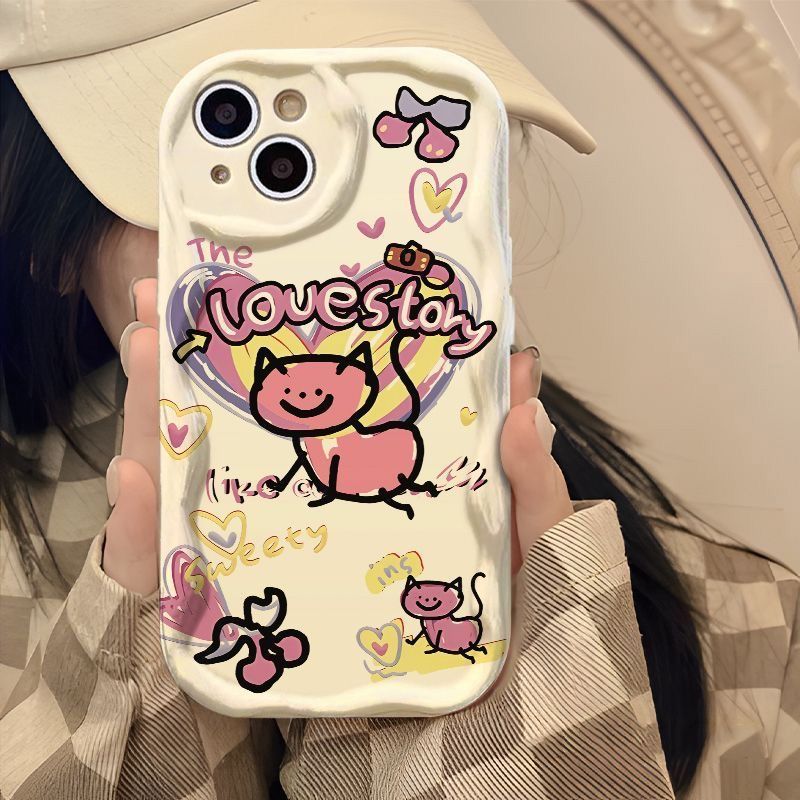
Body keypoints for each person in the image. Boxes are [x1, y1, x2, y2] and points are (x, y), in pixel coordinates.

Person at [0, 3, 797, 799]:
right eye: (249, 173)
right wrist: (125, 718)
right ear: (50, 239)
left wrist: (501, 742)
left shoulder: (755, 639)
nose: (323, 274)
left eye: (383, 166)